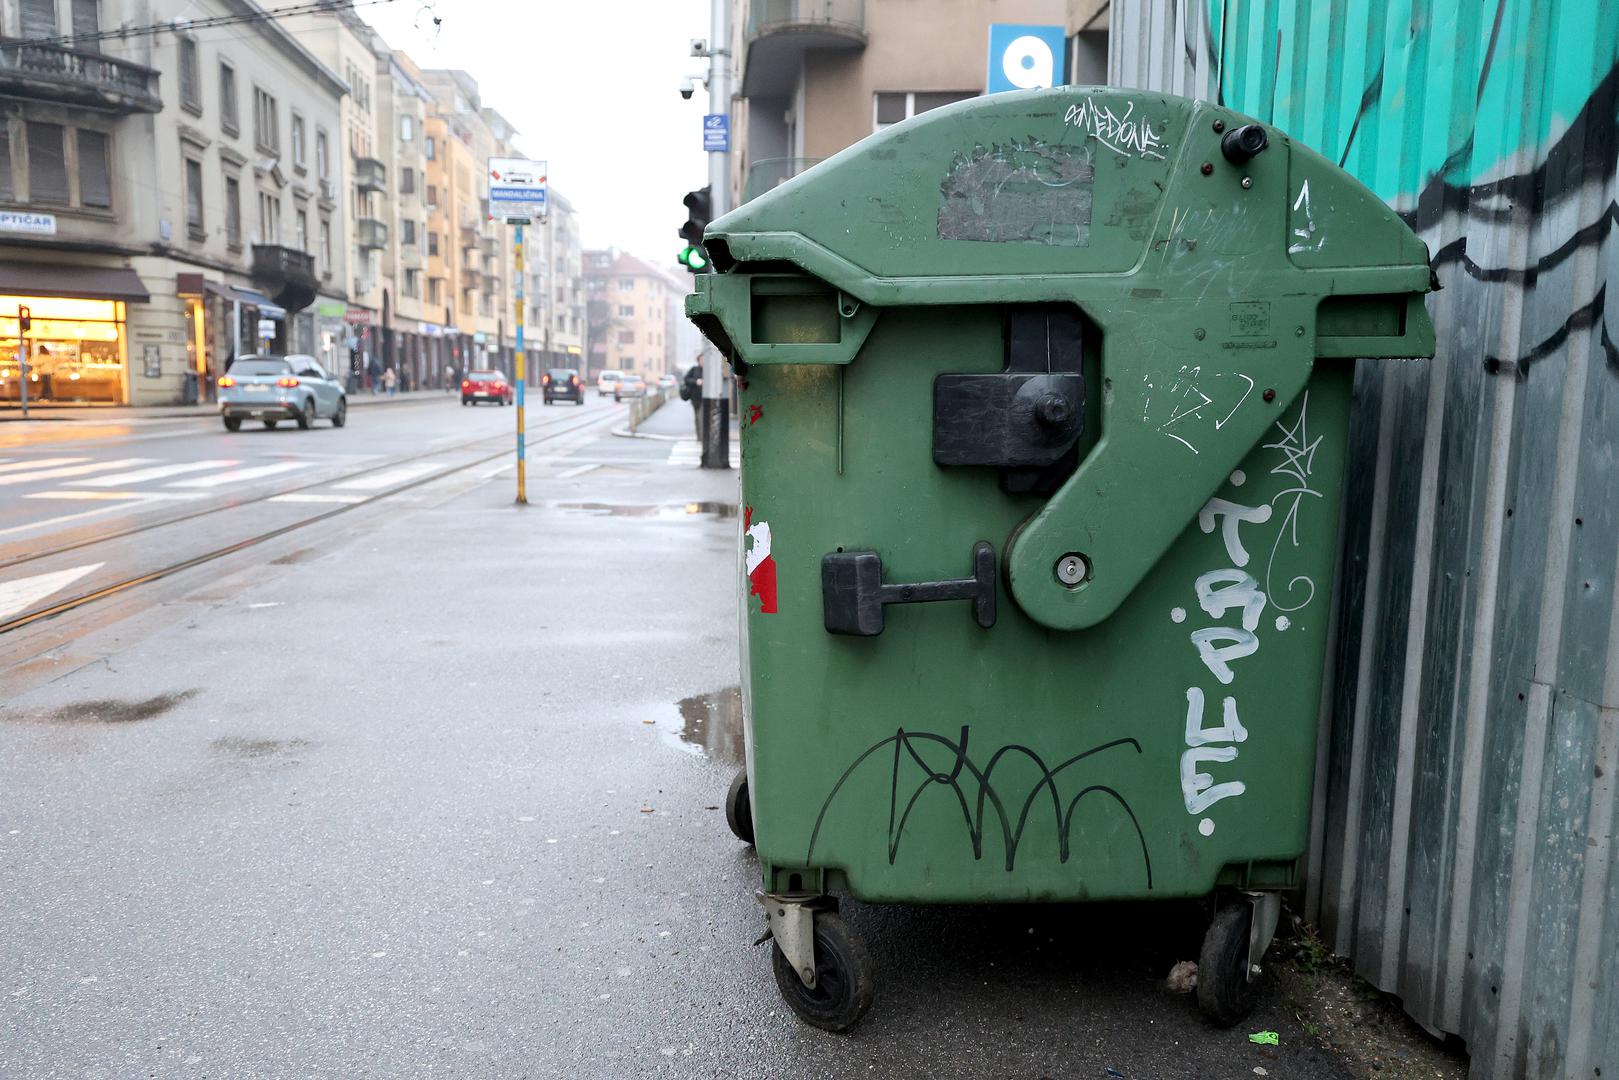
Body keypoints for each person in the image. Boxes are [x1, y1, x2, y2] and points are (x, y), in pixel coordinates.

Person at [680, 360, 703, 440]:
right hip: (695, 397)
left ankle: (702, 436)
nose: (703, 361)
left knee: (701, 417)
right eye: (701, 359)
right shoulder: (694, 369)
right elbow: (686, 379)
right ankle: (699, 436)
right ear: (699, 360)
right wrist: (696, 381)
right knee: (697, 417)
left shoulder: (709, 369)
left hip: (706, 398)